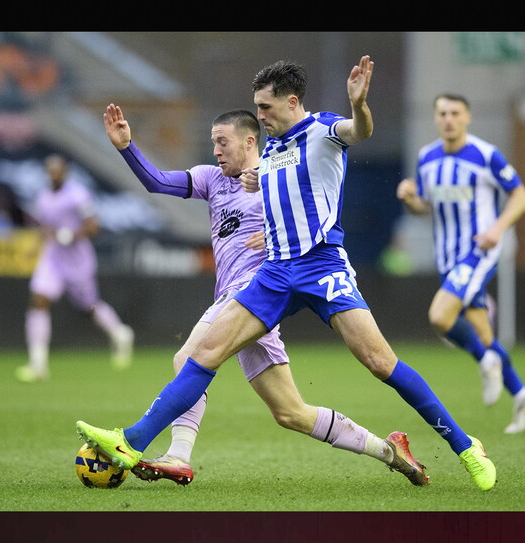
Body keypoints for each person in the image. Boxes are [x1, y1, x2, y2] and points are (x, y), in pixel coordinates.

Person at [77, 56, 496, 491]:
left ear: (291, 102)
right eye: (256, 109)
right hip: (276, 273)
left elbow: (361, 132)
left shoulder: (324, 130)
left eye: (265, 108)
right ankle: (131, 441)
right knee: (202, 356)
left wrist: (360, 105)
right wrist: (261, 193)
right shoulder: (271, 152)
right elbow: (273, 189)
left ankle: (467, 447)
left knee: (380, 363)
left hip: (321, 266)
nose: (260, 116)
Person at [102, 104, 429, 486]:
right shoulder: (212, 179)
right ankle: (391, 452)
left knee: (187, 357)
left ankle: (178, 454)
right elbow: (158, 182)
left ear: (249, 141)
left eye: (222, 143)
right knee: (291, 413)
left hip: (255, 293)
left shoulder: (277, 180)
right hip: (240, 306)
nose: (216, 151)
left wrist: (275, 234)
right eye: (213, 143)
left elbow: (314, 223)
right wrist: (127, 147)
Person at [395, 93, 525, 433]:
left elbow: (521, 195)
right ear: (435, 118)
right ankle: (522, 395)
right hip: (447, 256)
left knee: (439, 316)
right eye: (442, 113)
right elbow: (424, 208)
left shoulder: (484, 154)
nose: (448, 119)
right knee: (485, 335)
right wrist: (411, 198)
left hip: (479, 250)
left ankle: (487, 361)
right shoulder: (427, 158)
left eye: (455, 113)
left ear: (467, 117)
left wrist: (497, 229)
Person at [14, 153, 134, 382]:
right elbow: (45, 228)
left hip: (78, 260)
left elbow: (94, 226)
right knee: (39, 298)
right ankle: (37, 364)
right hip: (53, 258)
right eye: (50, 170)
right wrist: (35, 245)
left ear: (65, 172)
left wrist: (72, 234)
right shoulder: (42, 198)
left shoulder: (78, 196)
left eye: (57, 169)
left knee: (88, 306)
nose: (54, 174)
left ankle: (120, 333)